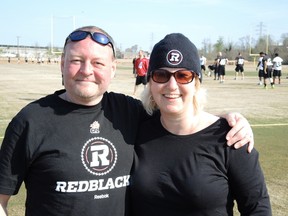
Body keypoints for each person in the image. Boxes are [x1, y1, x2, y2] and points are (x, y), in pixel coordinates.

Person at [0, 26, 254, 216]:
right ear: (62, 64)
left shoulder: (129, 112)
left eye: (98, 62)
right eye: (77, 60)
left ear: (112, 69)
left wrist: (228, 121)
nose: (87, 70)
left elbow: (180, 116)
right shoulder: (31, 121)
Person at [130, 33, 271, 215]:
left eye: (183, 75)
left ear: (196, 82)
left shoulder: (231, 138)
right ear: (150, 81)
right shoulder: (135, 128)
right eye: (161, 74)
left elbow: (257, 208)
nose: (172, 85)